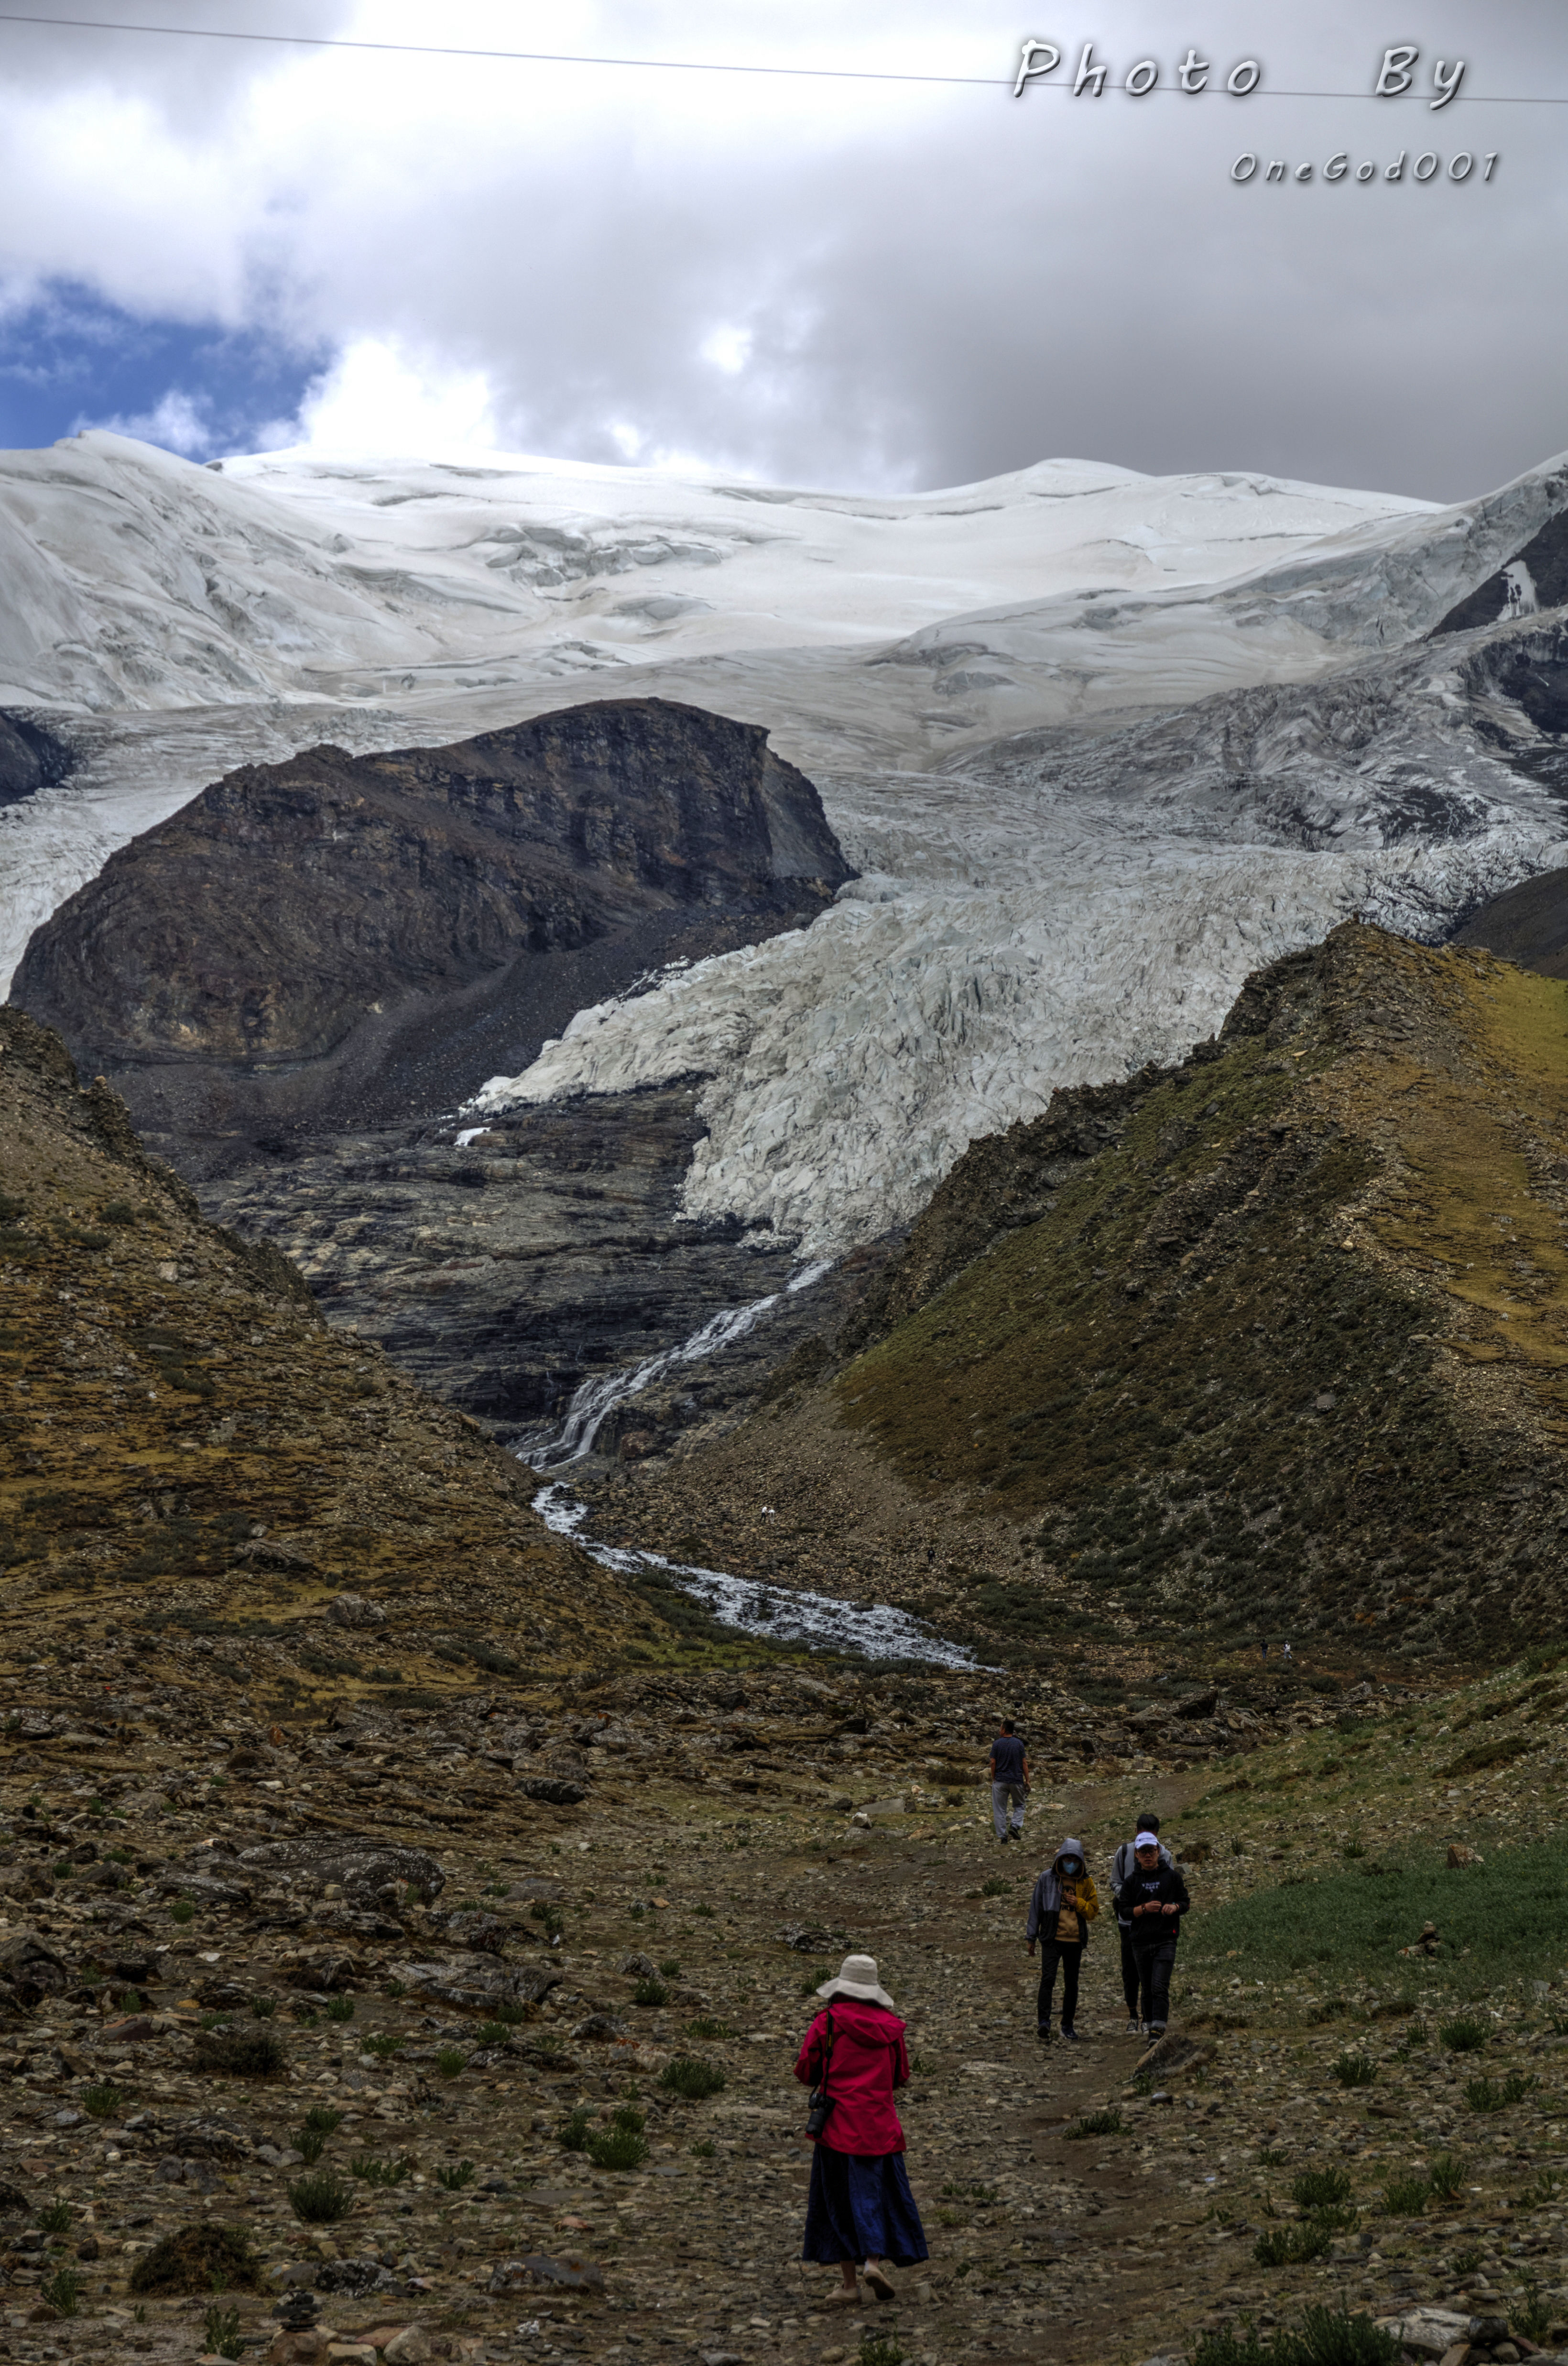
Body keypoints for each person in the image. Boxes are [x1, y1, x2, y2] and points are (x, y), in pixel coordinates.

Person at [795, 1953, 929, 2308]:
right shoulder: (890, 2029)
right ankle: (873, 2262)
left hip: (837, 2128)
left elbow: (806, 2071)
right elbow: (901, 2076)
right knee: (877, 2198)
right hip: (880, 2128)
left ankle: (849, 2284)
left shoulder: (826, 2024)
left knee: (836, 2202)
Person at [1115, 1830, 1191, 2038]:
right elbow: (1123, 1910)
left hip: (1166, 1938)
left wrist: (1174, 1907)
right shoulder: (1131, 1882)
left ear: (1159, 1852)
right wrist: (1144, 1909)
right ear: (1137, 1856)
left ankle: (1158, 2029)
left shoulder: (1173, 1877)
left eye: (1151, 1850)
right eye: (1143, 1851)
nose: (1148, 1855)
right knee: (1147, 1987)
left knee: (1160, 1985)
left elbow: (1185, 1902)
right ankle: (1149, 2025)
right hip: (1140, 1941)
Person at [1025, 1837, 1100, 2043]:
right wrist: (1031, 1937)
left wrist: (1079, 1902)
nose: (1071, 1863)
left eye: (1075, 1860)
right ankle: (1044, 2023)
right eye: (1067, 1858)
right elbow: (1036, 1909)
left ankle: (1067, 2025)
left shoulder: (1086, 1882)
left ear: (1081, 1861)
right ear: (1060, 1858)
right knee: (1048, 1980)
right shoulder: (1046, 1878)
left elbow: (1093, 1911)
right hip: (1052, 1938)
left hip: (1075, 1940)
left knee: (1072, 1984)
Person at [1111, 1813, 1174, 2036]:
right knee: (1130, 1971)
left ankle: (1150, 2018)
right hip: (1128, 1922)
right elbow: (1115, 1882)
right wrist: (1132, 1899)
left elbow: (1172, 1886)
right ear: (1136, 1831)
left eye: (1152, 1834)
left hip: (1157, 1925)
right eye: (1142, 1832)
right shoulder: (1125, 1852)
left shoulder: (1164, 1854)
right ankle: (1132, 2015)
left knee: (1153, 1975)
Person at [989, 1718, 1030, 1845]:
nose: (999, 1730)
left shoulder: (996, 1744)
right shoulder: (1019, 1744)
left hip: (1000, 1781)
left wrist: (994, 1776)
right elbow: (1024, 1762)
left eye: (1001, 1728)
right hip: (1017, 1780)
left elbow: (992, 1762)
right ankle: (1015, 1826)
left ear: (1004, 1730)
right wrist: (1027, 1780)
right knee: (1020, 1805)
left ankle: (1003, 1837)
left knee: (1000, 1809)